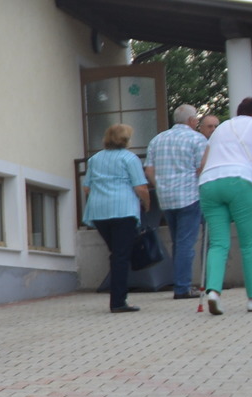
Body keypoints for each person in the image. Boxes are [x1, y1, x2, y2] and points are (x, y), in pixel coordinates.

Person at [197, 96, 252, 314]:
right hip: (240, 181)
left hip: (209, 183)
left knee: (218, 243)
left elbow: (203, 164)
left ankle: (213, 292)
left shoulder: (221, 128)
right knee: (250, 243)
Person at [81, 124, 149, 313]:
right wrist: (147, 204)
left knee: (116, 253)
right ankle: (118, 301)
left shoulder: (95, 159)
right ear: (126, 139)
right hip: (123, 210)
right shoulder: (130, 158)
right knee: (120, 256)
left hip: (99, 212)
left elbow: (86, 187)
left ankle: (118, 297)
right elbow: (141, 187)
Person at [144, 104, 208, 299]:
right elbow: (203, 167)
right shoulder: (197, 139)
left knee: (177, 242)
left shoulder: (157, 139)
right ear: (191, 121)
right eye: (196, 119)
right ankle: (182, 287)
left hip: (166, 198)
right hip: (189, 195)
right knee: (186, 243)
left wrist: (160, 185)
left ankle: (180, 282)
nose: (197, 121)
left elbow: (148, 170)